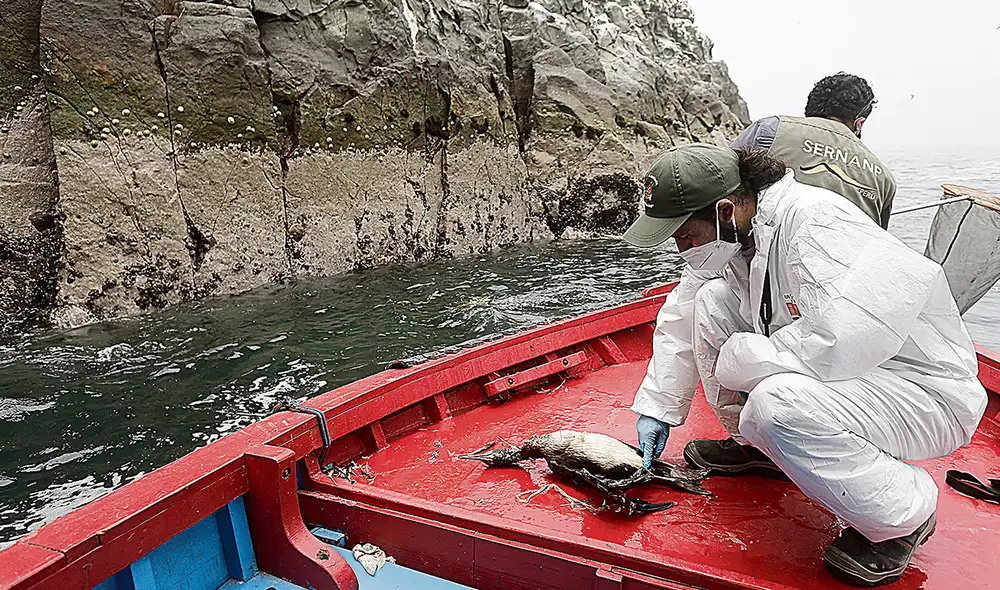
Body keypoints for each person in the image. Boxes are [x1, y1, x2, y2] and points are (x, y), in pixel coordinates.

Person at [622, 144, 986, 587]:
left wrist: (739, 359)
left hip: (921, 393)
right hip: (852, 378)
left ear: (724, 209)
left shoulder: (819, 223)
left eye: (684, 235)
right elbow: (682, 314)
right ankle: (763, 450)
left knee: (775, 406)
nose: (681, 248)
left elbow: (840, 342)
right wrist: (659, 408)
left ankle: (902, 516)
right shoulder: (736, 235)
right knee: (710, 301)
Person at [731, 72, 895, 229]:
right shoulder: (885, 179)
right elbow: (878, 237)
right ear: (859, 123)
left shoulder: (771, 129)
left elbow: (722, 176)